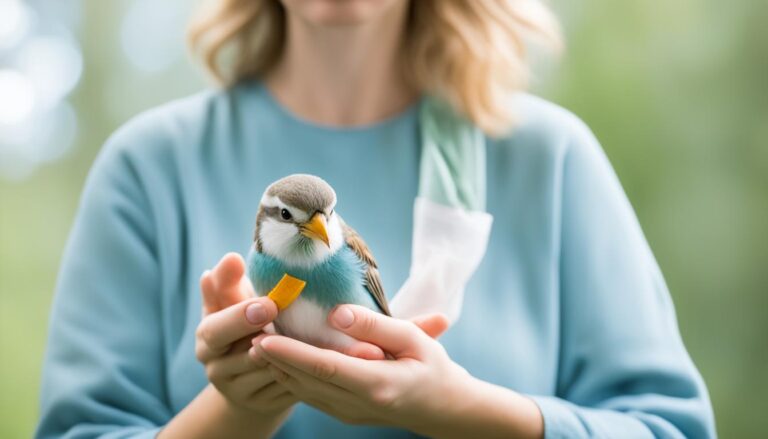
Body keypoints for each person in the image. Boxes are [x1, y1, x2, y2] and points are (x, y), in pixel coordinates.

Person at [36, 0, 716, 438]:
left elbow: (670, 428)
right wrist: (239, 409)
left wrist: (470, 412)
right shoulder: (148, 168)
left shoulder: (552, 159)